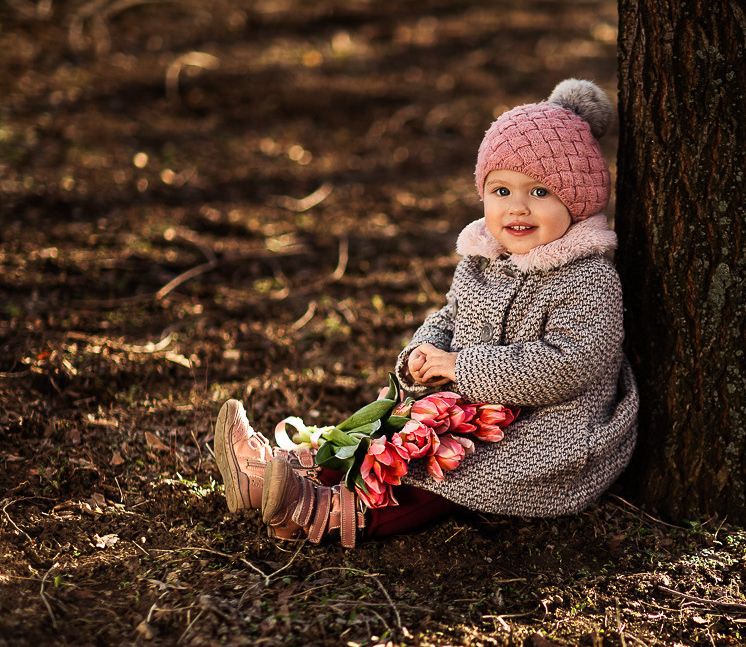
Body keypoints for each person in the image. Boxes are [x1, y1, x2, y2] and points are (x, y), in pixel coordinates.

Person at [213, 79, 639, 548]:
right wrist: (426, 347)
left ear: (576, 201)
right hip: (473, 406)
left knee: (438, 470)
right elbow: (450, 315)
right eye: (501, 190)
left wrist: (462, 367)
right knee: (389, 425)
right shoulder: (483, 260)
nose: (517, 207)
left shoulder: (588, 278)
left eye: (539, 191)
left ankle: (326, 512)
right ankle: (283, 472)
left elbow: (573, 362)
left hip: (550, 434)